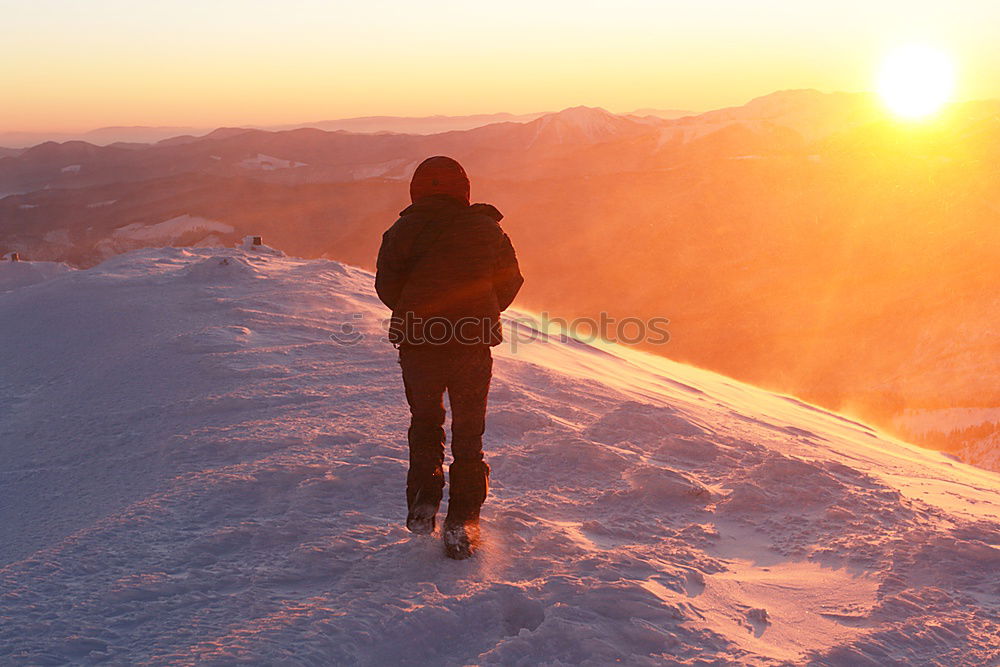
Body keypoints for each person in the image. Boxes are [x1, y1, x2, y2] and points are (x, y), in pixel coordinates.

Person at [375, 156, 523, 559]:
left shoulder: (402, 230)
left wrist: (417, 313)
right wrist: (481, 311)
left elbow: (387, 285)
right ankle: (463, 522)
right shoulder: (486, 229)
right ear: (464, 190)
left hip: (419, 343)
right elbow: (510, 281)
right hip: (470, 344)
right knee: (469, 434)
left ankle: (423, 503)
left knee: (425, 422)